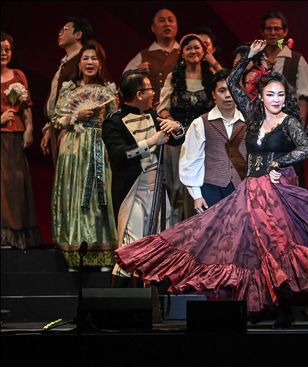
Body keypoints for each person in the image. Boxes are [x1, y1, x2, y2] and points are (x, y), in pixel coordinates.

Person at [114, 40, 308, 329]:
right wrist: (249, 57)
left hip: (278, 189)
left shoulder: (289, 122)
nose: (275, 100)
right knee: (246, 248)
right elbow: (232, 85)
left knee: (277, 248)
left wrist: (279, 163)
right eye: (270, 94)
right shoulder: (254, 118)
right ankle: (253, 307)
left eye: (280, 95)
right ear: (262, 96)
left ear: (286, 97)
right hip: (250, 189)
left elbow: (306, 150)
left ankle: (283, 309)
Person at [102, 69, 185, 286]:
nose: (153, 93)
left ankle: (150, 307)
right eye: (150, 88)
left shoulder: (153, 116)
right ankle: (118, 305)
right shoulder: (114, 122)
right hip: (132, 192)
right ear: (139, 94)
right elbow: (119, 155)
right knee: (130, 248)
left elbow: (176, 140)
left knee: (157, 247)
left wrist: (176, 127)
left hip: (156, 190)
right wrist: (150, 142)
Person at [50, 41, 118, 270]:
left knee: (100, 199)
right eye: (86, 59)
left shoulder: (108, 91)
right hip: (73, 149)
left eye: (94, 59)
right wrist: (75, 116)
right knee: (75, 200)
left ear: (100, 63)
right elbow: (56, 120)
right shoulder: (69, 89)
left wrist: (109, 144)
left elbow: (115, 122)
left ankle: (103, 252)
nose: (90, 62)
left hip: (99, 146)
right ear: (79, 64)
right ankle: (75, 254)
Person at [158, 34, 214, 223]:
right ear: (181, 53)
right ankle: (174, 230)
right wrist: (174, 124)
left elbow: (230, 89)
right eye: (188, 48)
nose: (193, 51)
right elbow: (163, 109)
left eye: (197, 47)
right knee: (176, 186)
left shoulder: (210, 78)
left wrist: (214, 62)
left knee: (201, 184)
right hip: (178, 139)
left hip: (205, 140)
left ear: (204, 51)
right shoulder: (173, 78)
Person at [259, 10, 308, 187]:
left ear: (285, 32)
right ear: (263, 32)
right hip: (259, 125)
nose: (273, 33)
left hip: (287, 126)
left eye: (277, 29)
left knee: (289, 174)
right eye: (269, 29)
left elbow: (304, 96)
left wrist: (298, 126)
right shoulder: (255, 59)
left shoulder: (296, 60)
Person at [179, 69, 247, 211]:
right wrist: (197, 196)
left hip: (243, 189)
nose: (228, 95)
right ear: (213, 94)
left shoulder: (248, 121)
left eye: (231, 90)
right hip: (211, 191)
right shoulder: (200, 123)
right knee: (215, 232)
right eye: (222, 90)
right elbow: (190, 161)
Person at [0, 32, 42, 249]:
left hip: (14, 138)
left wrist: (29, 129)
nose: (3, 53)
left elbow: (26, 106)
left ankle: (16, 236)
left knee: (16, 185)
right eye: (0, 49)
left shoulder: (18, 75)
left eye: (7, 49)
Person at [40, 17, 93, 165]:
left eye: (65, 30)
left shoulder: (83, 60)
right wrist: (51, 127)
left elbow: (88, 94)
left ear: (78, 34)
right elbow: (55, 99)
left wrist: (70, 126)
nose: (60, 33)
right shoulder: (65, 63)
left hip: (75, 129)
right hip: (60, 126)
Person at [123, 8, 179, 109]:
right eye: (161, 20)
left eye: (170, 20)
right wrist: (137, 75)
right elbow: (123, 87)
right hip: (150, 113)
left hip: (179, 113)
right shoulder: (144, 55)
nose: (167, 24)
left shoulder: (185, 53)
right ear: (153, 28)